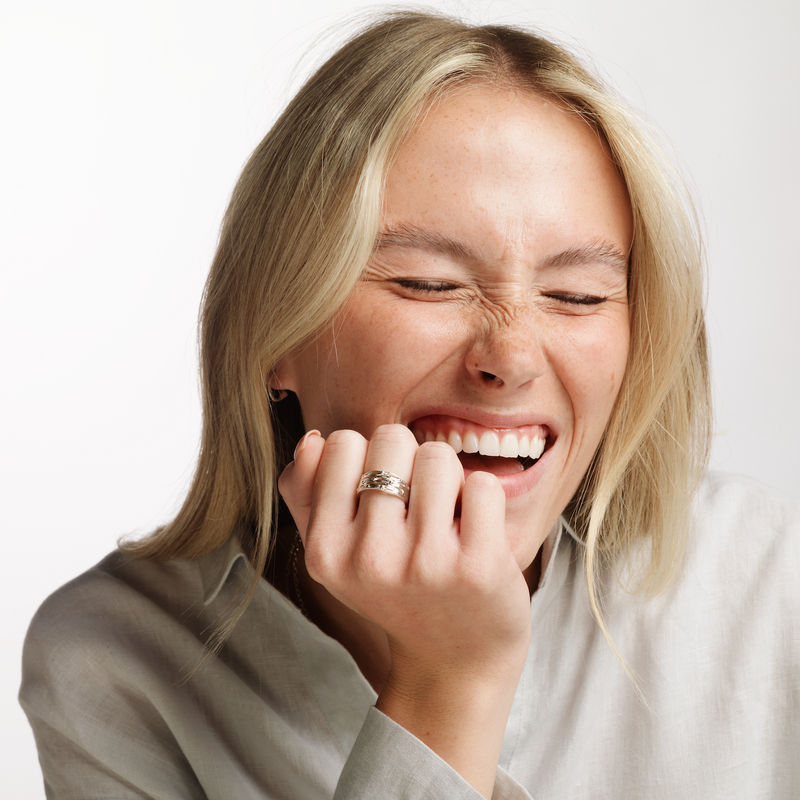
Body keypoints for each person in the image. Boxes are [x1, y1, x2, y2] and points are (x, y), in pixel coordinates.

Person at [20, 10, 799, 799]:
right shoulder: (110, 661)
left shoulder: (772, 583)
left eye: (578, 294)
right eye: (428, 283)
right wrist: (451, 685)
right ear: (271, 335)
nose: (514, 357)